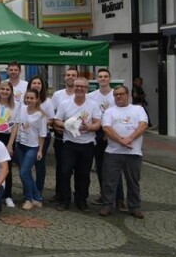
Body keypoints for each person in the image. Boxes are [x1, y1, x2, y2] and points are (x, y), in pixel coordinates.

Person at [53, 77, 101, 212]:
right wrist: (69, 125)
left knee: (84, 174)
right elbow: (57, 121)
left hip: (87, 143)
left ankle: (81, 200)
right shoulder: (64, 103)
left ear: (87, 89)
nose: (79, 89)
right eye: (77, 86)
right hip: (69, 143)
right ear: (73, 87)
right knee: (65, 172)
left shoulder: (93, 104)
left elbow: (98, 123)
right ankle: (65, 199)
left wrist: (89, 127)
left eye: (83, 87)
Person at [100, 86, 149, 218]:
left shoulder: (138, 109)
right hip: (113, 152)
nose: (119, 97)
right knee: (110, 181)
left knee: (133, 182)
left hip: (133, 153)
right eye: (116, 95)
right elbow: (106, 128)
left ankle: (134, 207)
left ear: (128, 95)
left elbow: (143, 125)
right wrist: (121, 140)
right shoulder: (109, 111)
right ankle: (107, 205)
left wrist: (130, 139)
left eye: (121, 94)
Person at [89, 68, 123, 208]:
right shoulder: (91, 96)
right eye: (100, 76)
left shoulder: (115, 95)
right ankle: (105, 195)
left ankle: (119, 198)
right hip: (98, 134)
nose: (103, 79)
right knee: (101, 166)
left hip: (113, 134)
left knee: (115, 167)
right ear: (97, 79)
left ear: (110, 79)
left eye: (105, 76)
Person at [49, 67, 78, 203]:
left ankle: (78, 196)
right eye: (68, 75)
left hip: (79, 138)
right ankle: (60, 193)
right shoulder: (58, 95)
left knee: (78, 169)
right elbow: (53, 115)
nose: (70, 77)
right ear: (65, 77)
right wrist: (56, 126)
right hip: (61, 137)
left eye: (73, 75)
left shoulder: (83, 95)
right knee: (61, 167)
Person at [16, 90, 48, 210]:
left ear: (37, 99)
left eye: (31, 98)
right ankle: (37, 198)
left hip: (33, 147)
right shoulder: (22, 109)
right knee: (27, 173)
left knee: (23, 172)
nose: (29, 100)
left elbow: (42, 134)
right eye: (27, 98)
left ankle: (29, 199)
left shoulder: (40, 115)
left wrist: (40, 150)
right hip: (21, 144)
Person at [0, 80, 18, 208]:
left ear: (11, 91)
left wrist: (10, 144)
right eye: (2, 89)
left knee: (7, 168)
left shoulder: (15, 105)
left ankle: (8, 196)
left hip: (7, 138)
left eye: (7, 89)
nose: (5, 92)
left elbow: (15, 126)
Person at [26, 75, 54, 196]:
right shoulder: (26, 100)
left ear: (42, 86)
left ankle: (38, 190)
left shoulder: (47, 102)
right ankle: (28, 189)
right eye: (34, 83)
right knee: (26, 165)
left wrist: (38, 122)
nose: (36, 85)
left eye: (39, 83)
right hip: (27, 136)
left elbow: (51, 119)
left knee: (39, 164)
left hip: (42, 136)